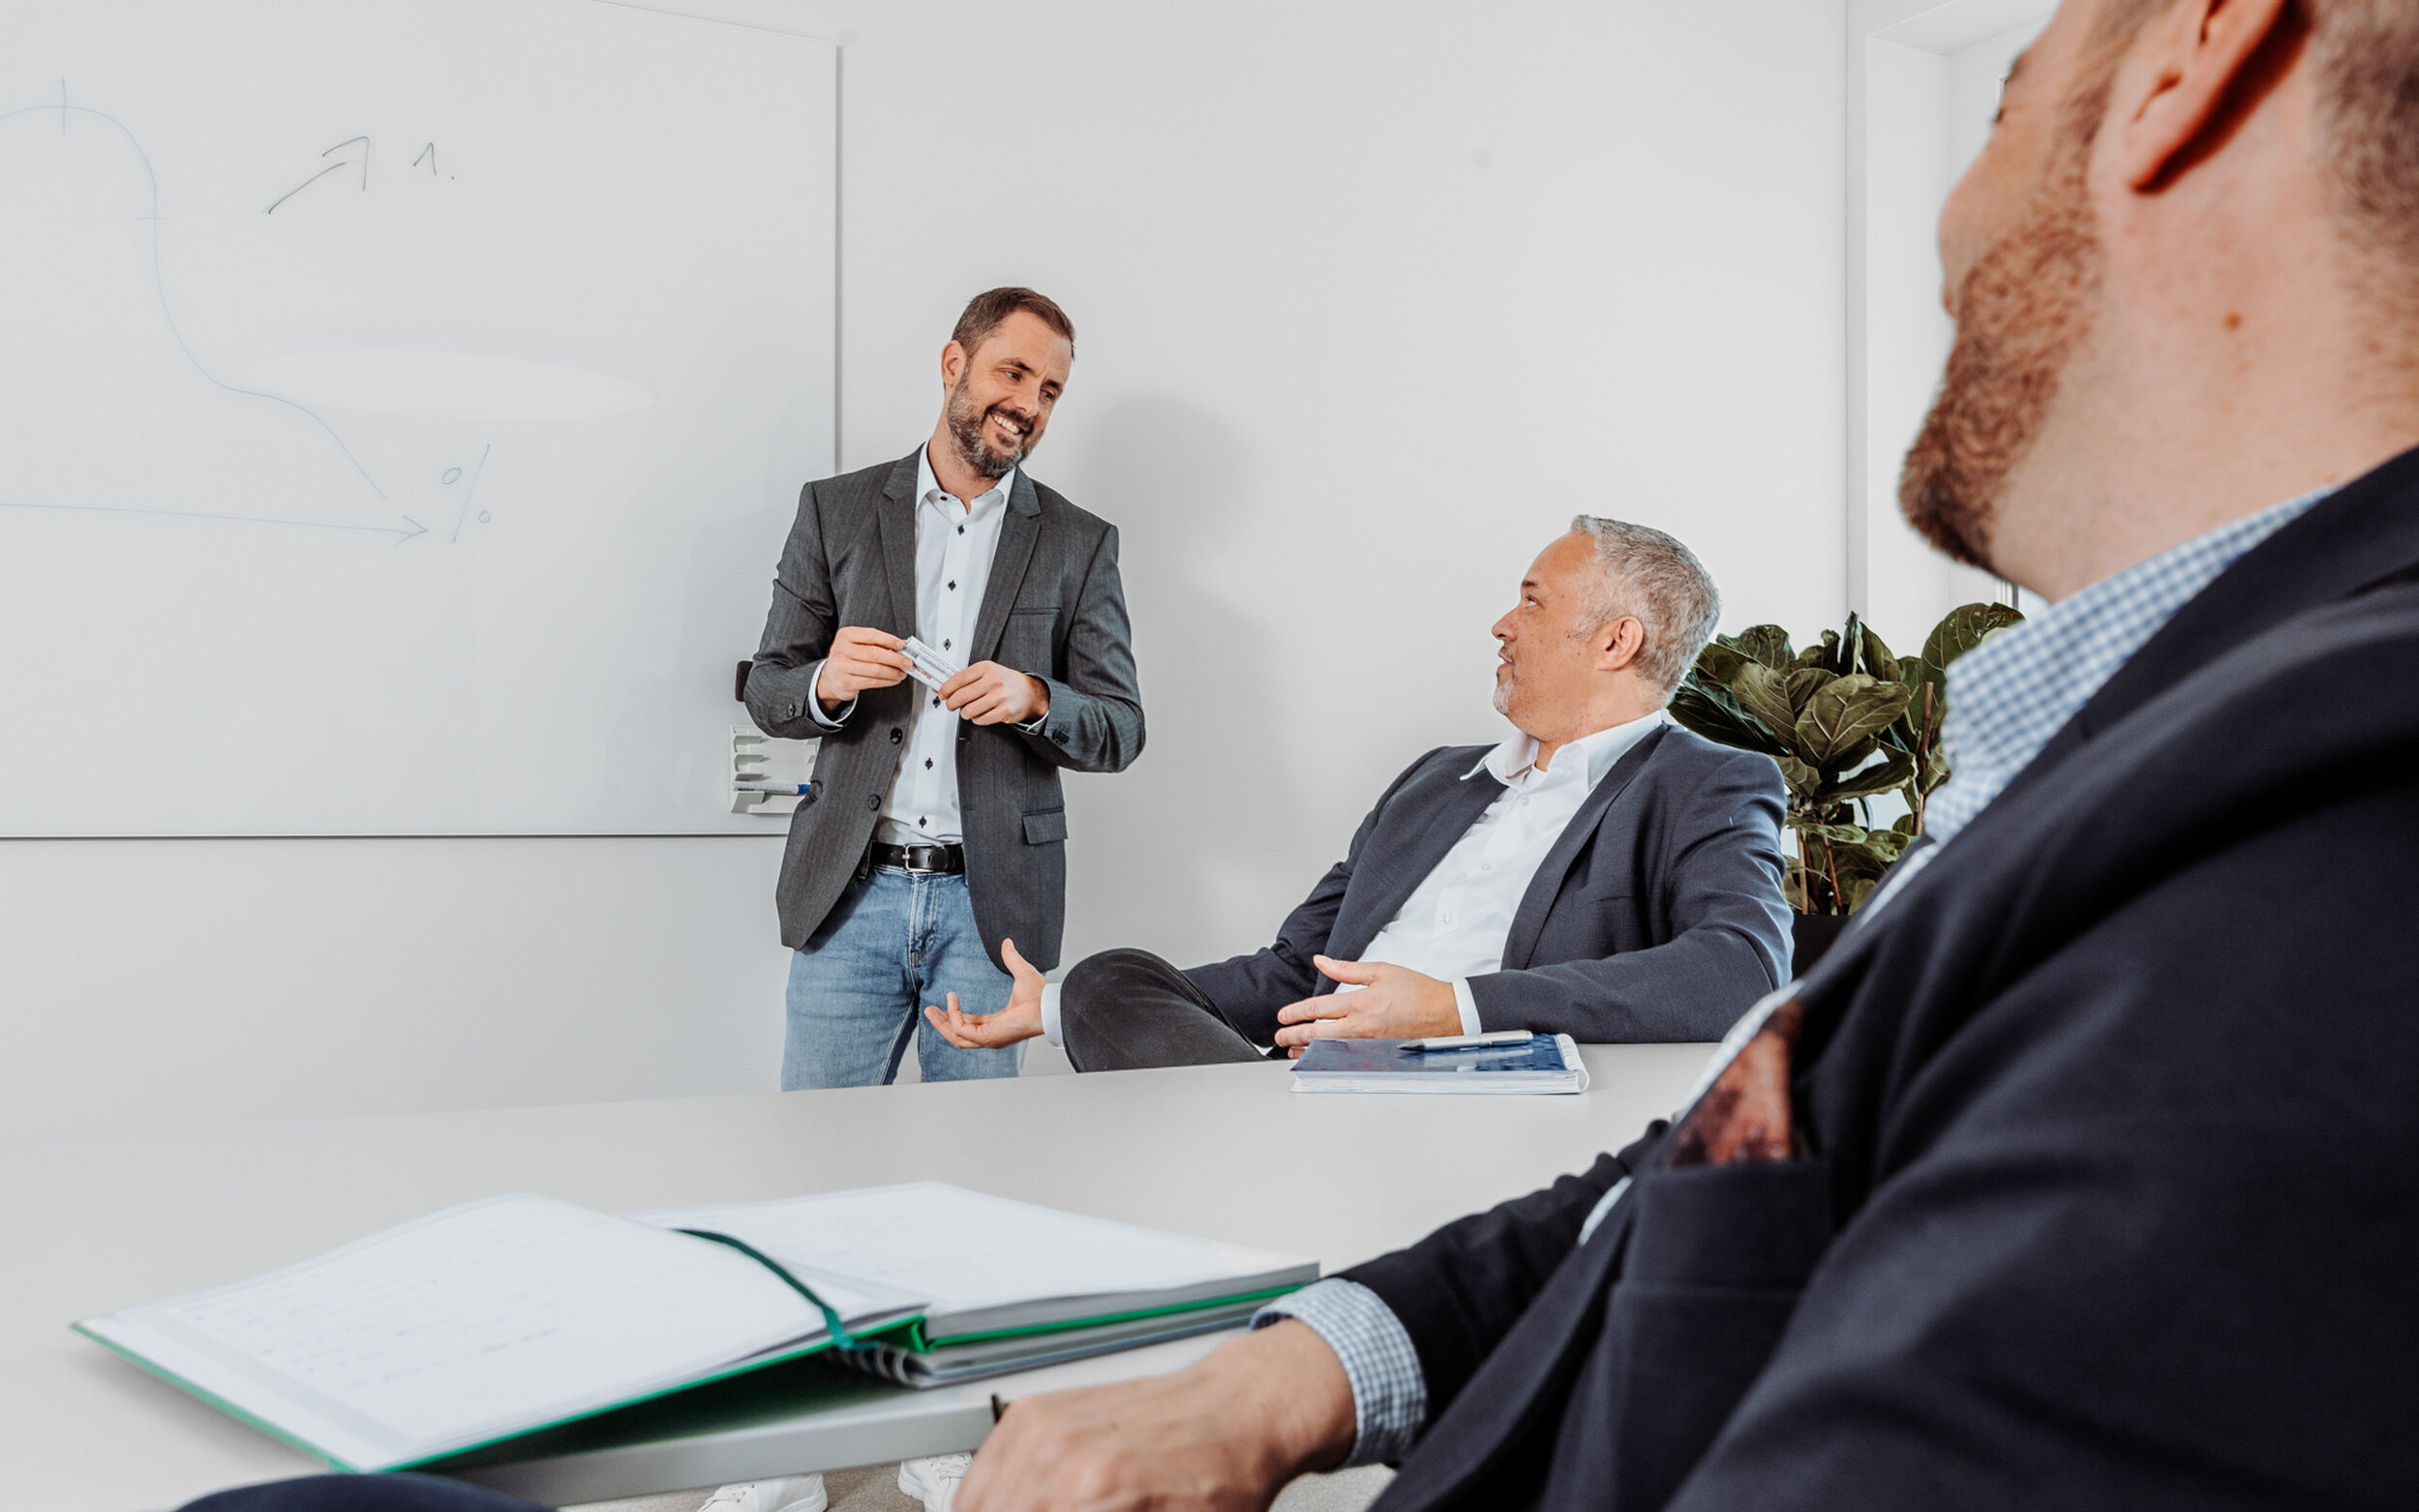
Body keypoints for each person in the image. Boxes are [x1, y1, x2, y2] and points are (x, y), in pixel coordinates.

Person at [935, 0, 2419, 1507]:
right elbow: (1714, 1166)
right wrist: (1290, 1372)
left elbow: (1739, 1010)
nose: (1945, 231)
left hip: (1447, 1117)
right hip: (1336, 1137)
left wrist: (1447, 1008)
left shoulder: (2317, 831)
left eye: (2000, 112)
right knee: (1116, 985)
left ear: (2194, 58)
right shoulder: (2123, 754)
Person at [922, 519, 1791, 1071]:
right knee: (1108, 979)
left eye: (1531, 602)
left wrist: (1451, 1008)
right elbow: (1294, 972)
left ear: (1614, 642)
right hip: (1318, 1075)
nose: (1501, 624)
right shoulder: (1434, 780)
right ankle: (1269, 1131)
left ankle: (1256, 1140)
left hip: (1474, 1085)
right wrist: (1054, 1006)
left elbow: (1741, 970)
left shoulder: (1705, 781)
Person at [742, 287, 1144, 1093]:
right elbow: (769, 689)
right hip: (847, 896)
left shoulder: (1078, 541)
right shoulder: (835, 510)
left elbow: (1121, 729)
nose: (1028, 405)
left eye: (1050, 391)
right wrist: (827, 681)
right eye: (1013, 373)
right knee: (819, 1144)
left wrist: (1036, 699)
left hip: (992, 909)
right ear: (953, 363)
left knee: (978, 1152)